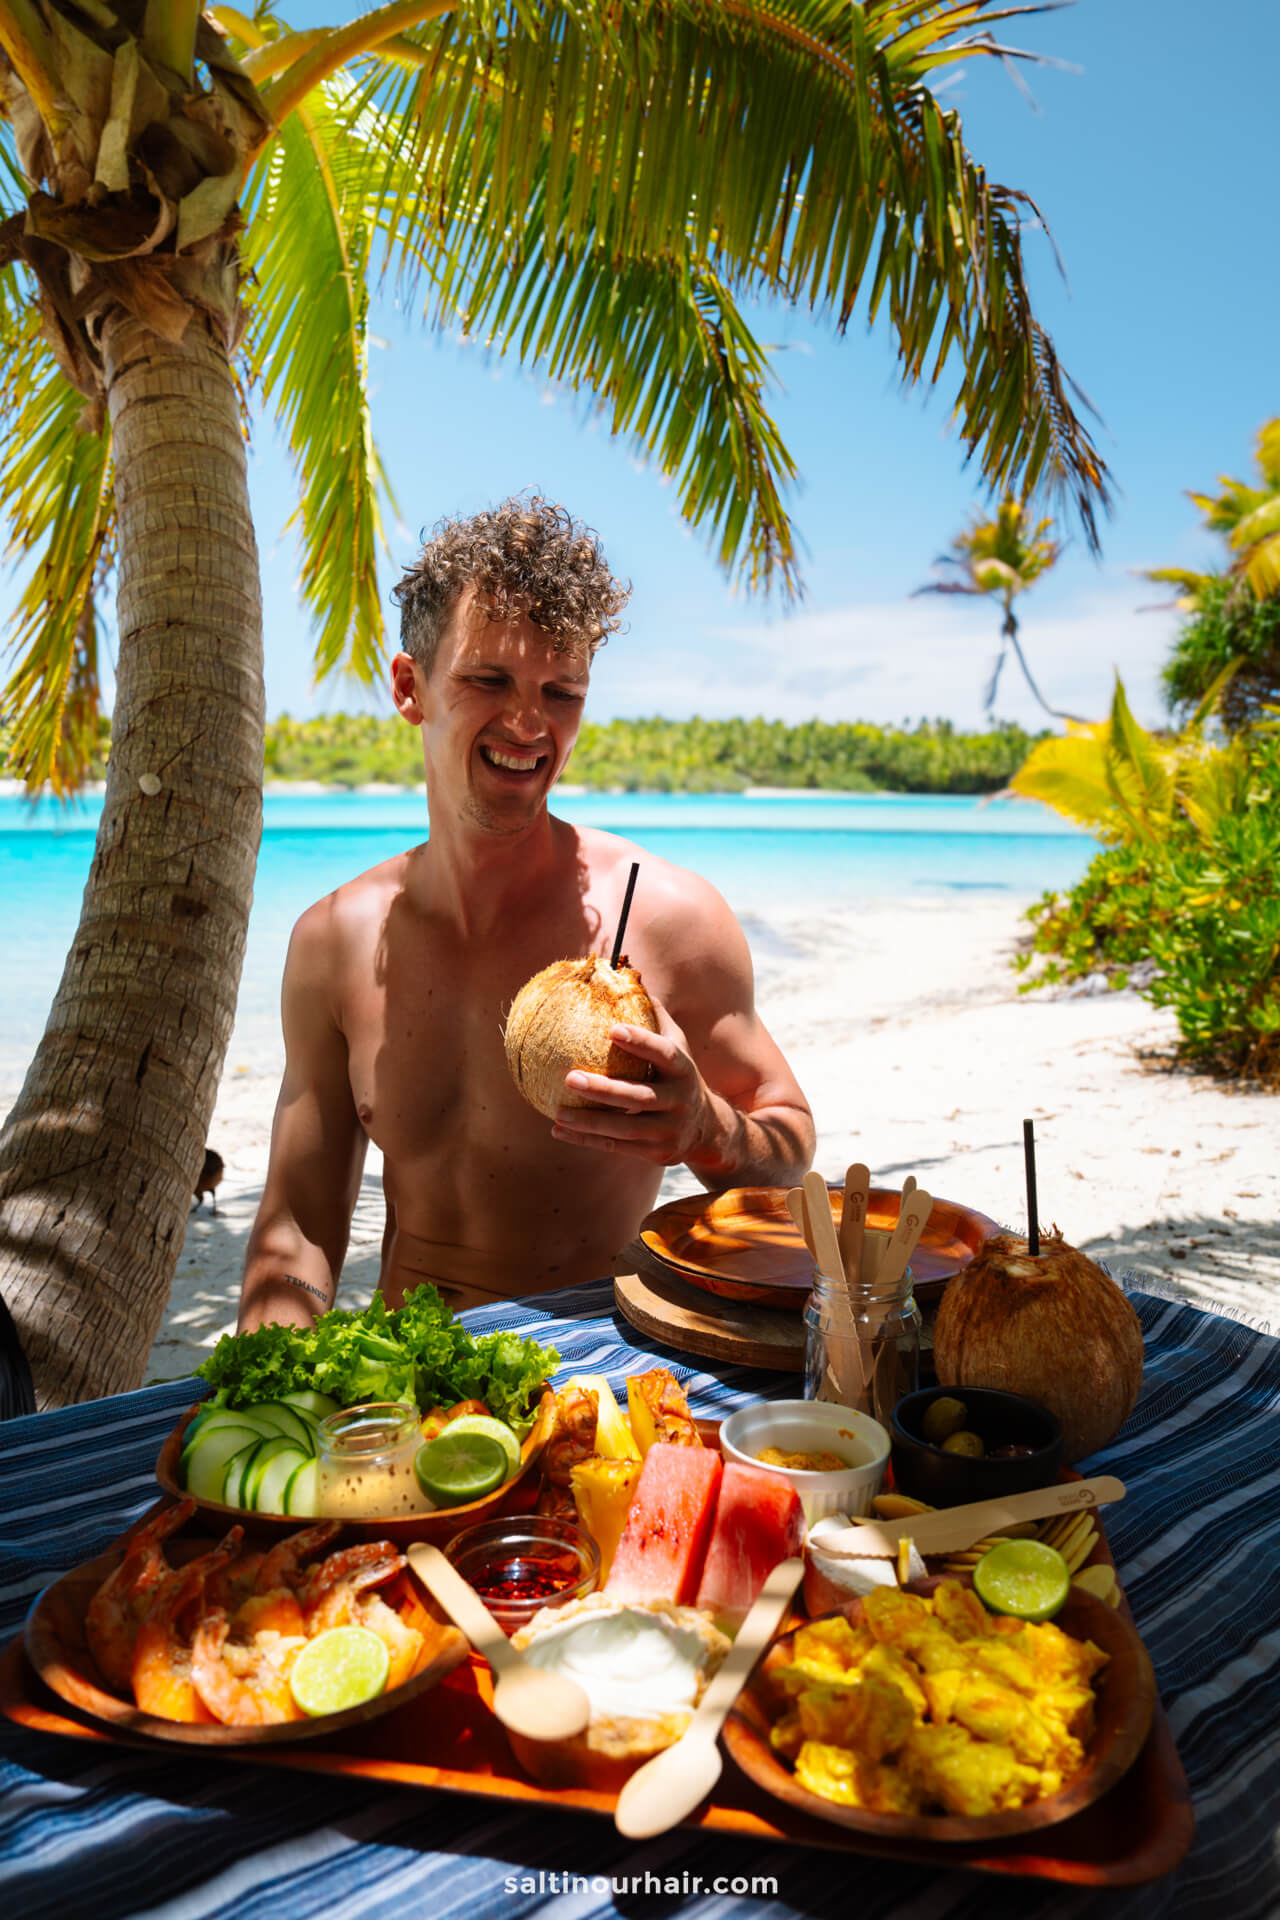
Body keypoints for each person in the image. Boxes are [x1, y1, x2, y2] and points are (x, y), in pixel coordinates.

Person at [237, 496, 815, 1331]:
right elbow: (298, 1223)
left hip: (601, 1369)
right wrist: (275, 1386)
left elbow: (788, 1148)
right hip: (412, 1363)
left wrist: (703, 1127)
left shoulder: (664, 918)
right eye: (488, 680)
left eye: (561, 691)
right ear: (411, 687)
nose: (527, 722)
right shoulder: (334, 940)